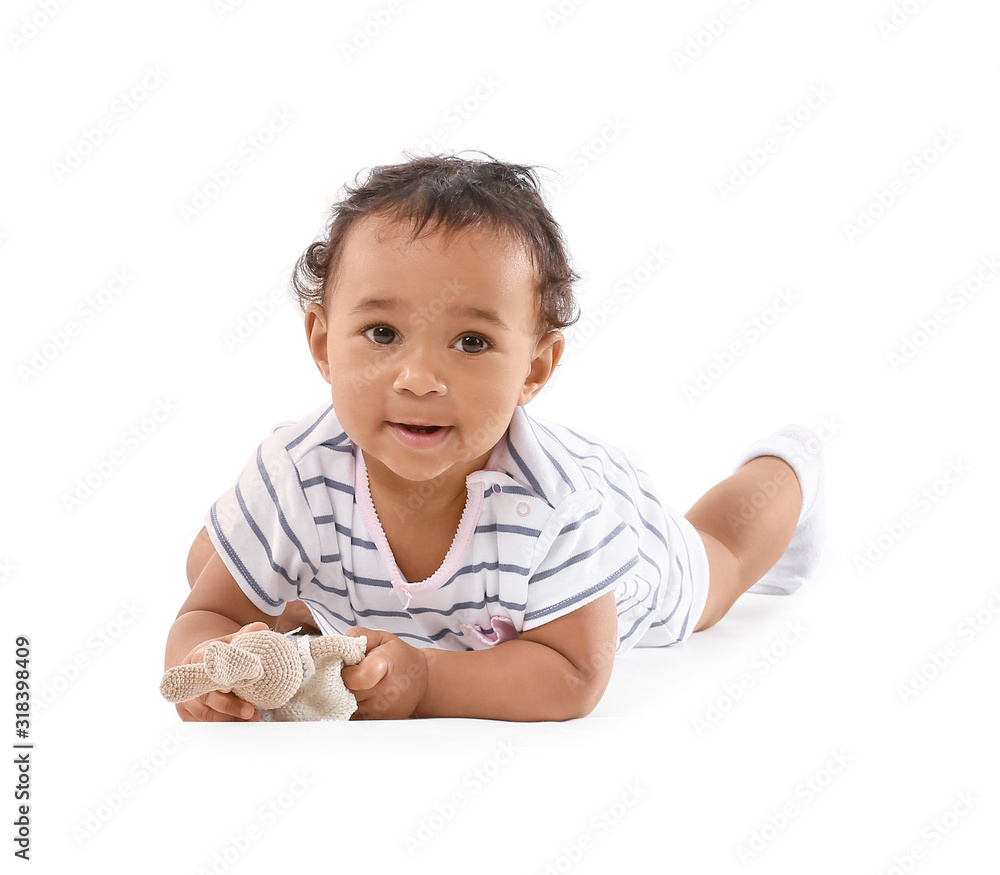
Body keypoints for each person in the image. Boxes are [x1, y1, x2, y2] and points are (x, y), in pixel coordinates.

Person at [164, 152, 825, 723]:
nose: (419, 378)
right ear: (322, 342)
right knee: (214, 559)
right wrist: (207, 668)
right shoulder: (298, 471)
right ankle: (320, 605)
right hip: (391, 589)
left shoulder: (555, 505)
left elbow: (572, 673)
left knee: (721, 561)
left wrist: (427, 681)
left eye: (472, 342)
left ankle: (791, 465)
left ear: (534, 368)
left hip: (615, 555)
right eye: (383, 333)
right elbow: (204, 617)